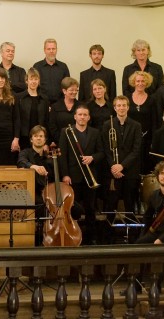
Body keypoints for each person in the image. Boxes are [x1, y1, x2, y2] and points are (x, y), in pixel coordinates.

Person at [58, 104, 104, 244]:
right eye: (80, 114)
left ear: (89, 117)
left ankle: (91, 238)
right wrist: (65, 175)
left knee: (91, 208)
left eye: (85, 115)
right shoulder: (66, 131)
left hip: (90, 177)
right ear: (75, 116)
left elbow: (101, 152)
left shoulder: (95, 133)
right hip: (73, 176)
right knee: (73, 208)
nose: (82, 117)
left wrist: (93, 157)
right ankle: (72, 235)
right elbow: (63, 155)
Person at [101, 95, 142, 220]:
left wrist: (122, 166)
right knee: (111, 205)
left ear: (128, 107)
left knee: (130, 205)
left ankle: (132, 235)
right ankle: (108, 235)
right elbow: (106, 149)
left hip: (130, 172)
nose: (121, 108)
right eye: (119, 105)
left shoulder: (136, 125)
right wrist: (114, 166)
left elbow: (136, 150)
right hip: (113, 172)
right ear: (114, 108)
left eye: (124, 105)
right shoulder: (107, 125)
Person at [126, 71, 159, 171]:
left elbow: (155, 122)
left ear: (147, 83)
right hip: (130, 139)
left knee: (146, 167)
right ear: (134, 82)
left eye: (143, 81)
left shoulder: (152, 99)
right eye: (138, 81)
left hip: (147, 139)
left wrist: (154, 141)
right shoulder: (127, 98)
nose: (140, 83)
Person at [16, 67, 50, 149]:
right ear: (26, 81)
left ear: (39, 81)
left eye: (36, 79)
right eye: (31, 79)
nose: (34, 82)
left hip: (40, 138)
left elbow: (47, 121)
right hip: (24, 137)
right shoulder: (19, 97)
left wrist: (47, 141)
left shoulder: (44, 99)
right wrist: (16, 138)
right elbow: (16, 119)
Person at [33, 38, 70, 104]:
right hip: (41, 103)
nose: (51, 51)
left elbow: (67, 87)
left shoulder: (63, 67)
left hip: (60, 104)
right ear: (44, 50)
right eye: (49, 49)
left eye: (53, 49)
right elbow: (34, 86)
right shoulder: (37, 66)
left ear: (56, 50)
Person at [48, 77, 80, 144]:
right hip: (59, 142)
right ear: (64, 91)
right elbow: (52, 126)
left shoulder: (81, 106)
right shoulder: (55, 107)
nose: (74, 92)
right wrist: (61, 140)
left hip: (79, 142)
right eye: (71, 90)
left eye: (76, 90)